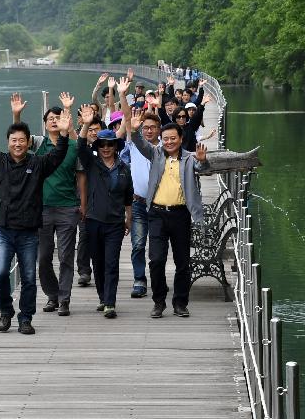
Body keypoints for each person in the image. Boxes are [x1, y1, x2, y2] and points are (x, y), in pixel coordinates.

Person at [0, 95, 71, 335]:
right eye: (14, 140)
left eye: (22, 141)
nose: (18, 144)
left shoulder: (37, 164)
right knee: (1, 272)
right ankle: (6, 311)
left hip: (28, 232)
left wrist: (64, 135)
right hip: (4, 230)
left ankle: (26, 318)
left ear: (28, 143)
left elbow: (57, 156)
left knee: (28, 278)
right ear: (8, 142)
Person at [130, 110, 210, 319]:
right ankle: (159, 301)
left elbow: (204, 170)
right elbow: (139, 142)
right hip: (156, 213)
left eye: (173, 138)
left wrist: (203, 160)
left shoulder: (189, 159)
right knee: (156, 260)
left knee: (182, 261)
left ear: (181, 139)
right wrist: (134, 128)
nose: (169, 142)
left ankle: (180, 303)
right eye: (165, 139)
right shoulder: (156, 153)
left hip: (181, 214)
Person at [11, 92, 85, 317]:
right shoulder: (40, 144)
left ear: (65, 120)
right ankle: (52, 295)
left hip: (67, 208)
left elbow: (81, 177)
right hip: (41, 209)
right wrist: (17, 114)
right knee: (43, 257)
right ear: (44, 124)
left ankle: (64, 299)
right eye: (50, 118)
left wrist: (83, 205)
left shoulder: (73, 146)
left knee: (65, 256)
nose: (54, 120)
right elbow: (19, 139)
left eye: (58, 116)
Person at [77, 104, 133, 318]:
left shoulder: (123, 168)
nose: (106, 148)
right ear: (98, 146)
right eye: (102, 144)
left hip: (115, 223)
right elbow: (81, 146)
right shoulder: (91, 163)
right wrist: (87, 123)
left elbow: (128, 195)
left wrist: (129, 218)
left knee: (111, 262)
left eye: (110, 144)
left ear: (115, 146)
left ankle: (110, 302)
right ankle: (102, 297)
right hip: (93, 220)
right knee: (98, 262)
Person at [121, 111, 162, 298]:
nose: (149, 131)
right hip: (137, 203)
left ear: (159, 129)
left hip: (159, 204)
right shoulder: (134, 144)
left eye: (153, 127)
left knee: (157, 247)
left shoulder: (165, 148)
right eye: (145, 127)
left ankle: (158, 280)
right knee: (138, 244)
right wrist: (121, 94)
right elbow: (129, 125)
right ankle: (139, 279)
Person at [76, 114, 106, 287]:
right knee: (85, 234)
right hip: (84, 198)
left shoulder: (108, 147)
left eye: (97, 130)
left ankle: (101, 269)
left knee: (101, 236)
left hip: (104, 199)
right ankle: (84, 271)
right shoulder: (83, 150)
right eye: (91, 130)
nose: (94, 133)